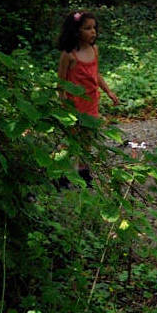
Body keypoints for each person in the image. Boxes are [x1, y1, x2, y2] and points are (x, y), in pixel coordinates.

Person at [57, 10, 119, 186]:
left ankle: (83, 171)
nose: (93, 32)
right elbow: (61, 82)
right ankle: (61, 173)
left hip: (91, 102)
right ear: (76, 31)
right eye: (87, 28)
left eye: (94, 28)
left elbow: (96, 74)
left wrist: (108, 91)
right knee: (71, 139)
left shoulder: (94, 50)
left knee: (87, 138)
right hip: (74, 104)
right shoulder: (68, 55)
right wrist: (63, 103)